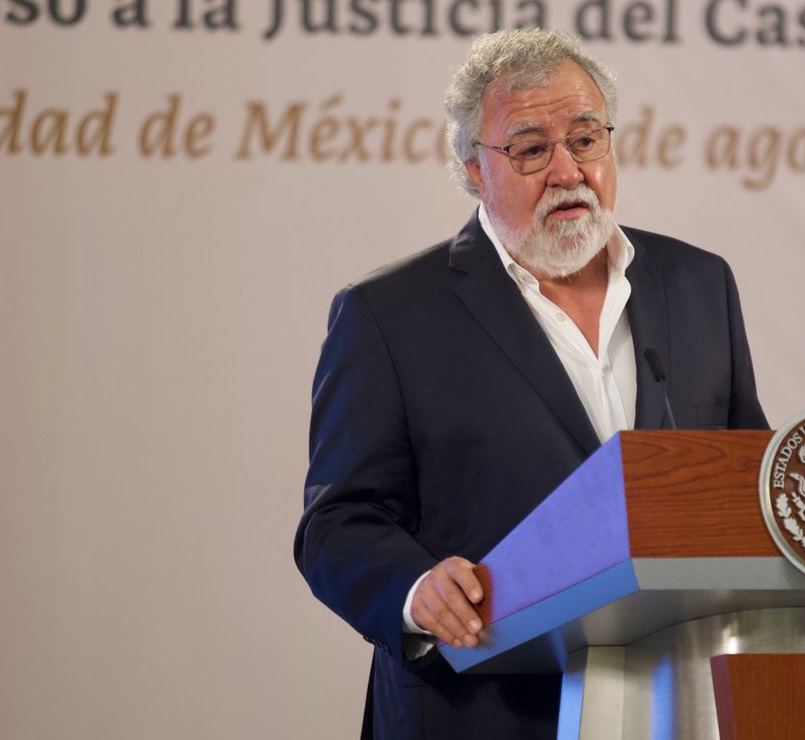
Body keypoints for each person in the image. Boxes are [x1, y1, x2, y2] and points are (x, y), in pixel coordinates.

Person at [294, 28, 768, 740]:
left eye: (584, 139)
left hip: (678, 701)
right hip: (481, 712)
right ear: (471, 167)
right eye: (529, 149)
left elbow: (747, 474)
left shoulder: (697, 283)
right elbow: (336, 523)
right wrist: (415, 589)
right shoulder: (389, 315)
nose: (567, 170)